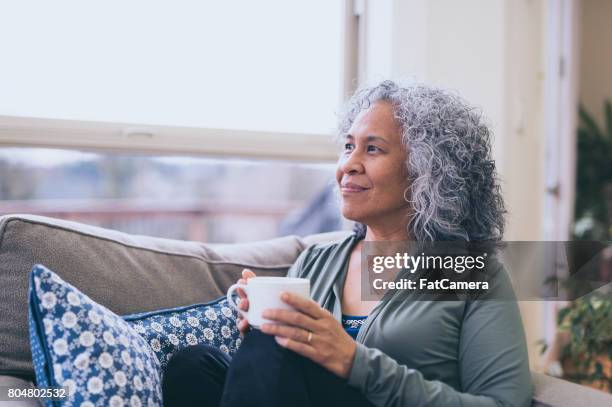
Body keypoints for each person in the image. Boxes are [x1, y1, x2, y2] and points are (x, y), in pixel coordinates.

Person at [162, 80, 533, 406]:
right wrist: (262, 329)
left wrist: (354, 362)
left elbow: (503, 403)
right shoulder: (316, 261)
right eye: (348, 146)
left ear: (427, 172)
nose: (348, 165)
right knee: (194, 367)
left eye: (373, 149)